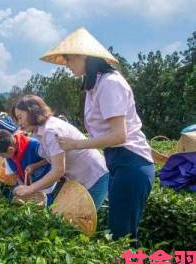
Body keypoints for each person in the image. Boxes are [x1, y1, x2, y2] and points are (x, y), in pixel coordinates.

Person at [40, 27, 155, 243]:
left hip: (131, 162)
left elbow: (119, 136)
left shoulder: (110, 83)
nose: (67, 64)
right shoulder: (96, 85)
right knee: (119, 230)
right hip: (118, 161)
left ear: (83, 55)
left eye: (69, 59)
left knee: (123, 236)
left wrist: (76, 144)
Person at [11, 95, 109, 210]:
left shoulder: (51, 131)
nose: (19, 122)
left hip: (94, 177)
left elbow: (58, 170)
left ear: (32, 112)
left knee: (82, 220)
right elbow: (52, 156)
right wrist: (34, 166)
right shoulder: (39, 132)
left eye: (20, 117)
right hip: (79, 179)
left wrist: (30, 188)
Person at [0, 130, 52, 197]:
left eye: (2, 155)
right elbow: (15, 173)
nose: (3, 157)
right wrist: (22, 185)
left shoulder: (34, 145)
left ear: (11, 150)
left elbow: (51, 158)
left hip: (44, 185)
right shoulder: (9, 155)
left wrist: (35, 166)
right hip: (29, 188)